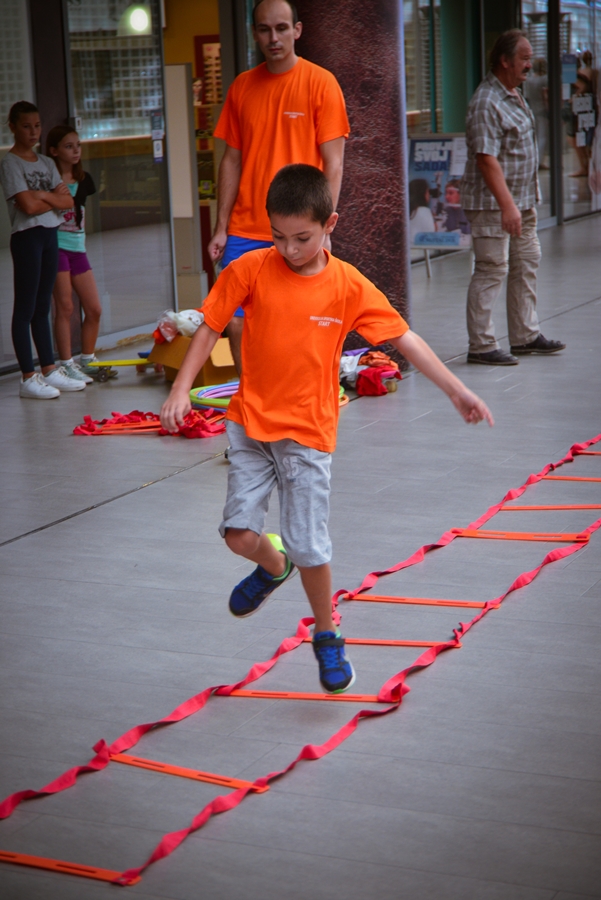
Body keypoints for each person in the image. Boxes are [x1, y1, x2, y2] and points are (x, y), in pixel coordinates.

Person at [161, 164, 494, 694]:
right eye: (278, 236)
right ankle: (274, 567)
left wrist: (456, 390)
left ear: (329, 224)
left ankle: (327, 632)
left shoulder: (347, 285)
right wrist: (180, 389)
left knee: (311, 548)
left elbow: (404, 339)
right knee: (238, 535)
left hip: (307, 435)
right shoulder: (249, 269)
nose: (289, 250)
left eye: (302, 238)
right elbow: (210, 326)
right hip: (249, 426)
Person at [207, 0, 349, 372]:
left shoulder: (321, 83)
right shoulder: (241, 87)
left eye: (282, 28)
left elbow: (334, 164)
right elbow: (231, 161)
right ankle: (250, 393)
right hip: (245, 227)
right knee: (235, 320)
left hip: (300, 229)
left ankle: (297, 393)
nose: (274, 37)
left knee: (301, 319)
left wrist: (323, 228)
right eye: (265, 29)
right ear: (255, 33)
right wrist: (221, 227)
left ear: (297, 31)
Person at [461, 30, 566, 365]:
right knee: (492, 269)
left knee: (526, 263)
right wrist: (507, 206)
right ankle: (481, 345)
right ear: (504, 60)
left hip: (523, 201)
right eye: (524, 58)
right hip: (494, 205)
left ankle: (525, 335)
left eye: (530, 58)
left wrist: (521, 204)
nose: (529, 64)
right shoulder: (487, 101)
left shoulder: (513, 94)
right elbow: (486, 158)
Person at [0, 101, 85, 398]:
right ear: (12, 127)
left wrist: (40, 195)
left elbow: (67, 202)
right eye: (26, 126)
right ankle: (27, 377)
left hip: (50, 235)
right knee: (25, 307)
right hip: (27, 238)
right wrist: (48, 196)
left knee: (42, 307)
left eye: (37, 126)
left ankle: (49, 369)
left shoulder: (47, 163)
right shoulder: (11, 163)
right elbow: (27, 206)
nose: (33, 132)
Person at [46, 125, 109, 383]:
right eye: (69, 146)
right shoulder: (50, 181)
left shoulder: (84, 180)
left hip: (78, 249)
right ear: (54, 151)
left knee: (94, 308)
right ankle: (65, 364)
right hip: (57, 247)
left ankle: (87, 359)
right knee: (65, 307)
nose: (76, 151)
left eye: (78, 146)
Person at [408, 178, 435, 244]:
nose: (429, 195)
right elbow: (430, 236)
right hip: (420, 249)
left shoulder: (407, 211)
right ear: (423, 194)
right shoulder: (424, 211)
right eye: (428, 192)